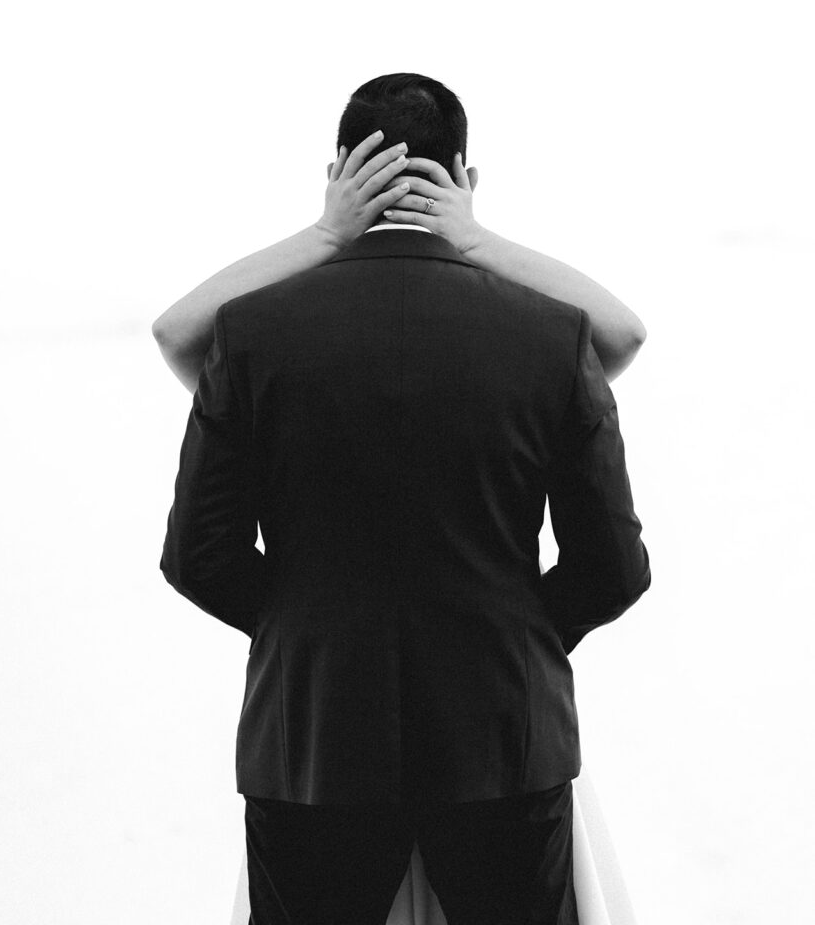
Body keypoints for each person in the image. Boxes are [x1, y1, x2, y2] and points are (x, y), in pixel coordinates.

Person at [155, 73, 651, 924]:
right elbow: (612, 565)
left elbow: (198, 555)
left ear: (338, 169)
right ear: (465, 176)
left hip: (310, 738)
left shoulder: (250, 334)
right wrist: (518, 631)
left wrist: (299, 624)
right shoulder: (551, 333)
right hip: (502, 733)